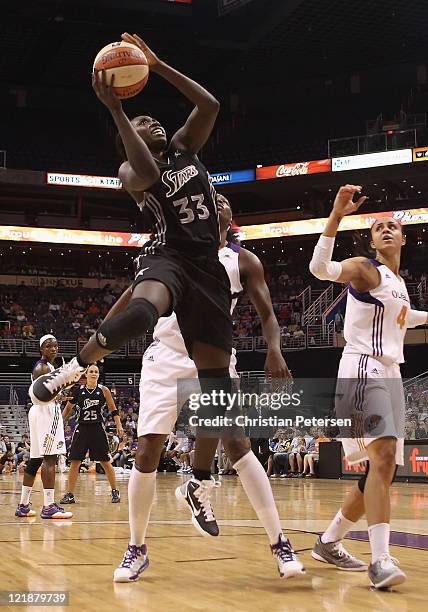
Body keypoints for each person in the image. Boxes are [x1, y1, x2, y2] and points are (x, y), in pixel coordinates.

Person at [29, 33, 234, 503]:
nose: (154, 122)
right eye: (144, 121)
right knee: (144, 312)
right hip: (169, 256)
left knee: (218, 391)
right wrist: (118, 109)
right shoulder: (129, 171)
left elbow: (211, 105)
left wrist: (158, 66)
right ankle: (73, 369)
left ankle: (197, 483)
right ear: (129, 134)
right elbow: (144, 169)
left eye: (154, 117)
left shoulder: (186, 147)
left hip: (208, 272)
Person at [113, 196, 303, 583]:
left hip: (214, 357)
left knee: (239, 446)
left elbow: (268, 313)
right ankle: (136, 548)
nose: (216, 202)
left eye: (224, 200)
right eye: (210, 197)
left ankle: (280, 543)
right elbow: (131, 298)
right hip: (165, 357)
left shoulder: (244, 260)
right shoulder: (171, 251)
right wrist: (96, 345)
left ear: (233, 217)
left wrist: (274, 349)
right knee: (149, 448)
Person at [309, 184, 428, 589]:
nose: (387, 230)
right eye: (379, 227)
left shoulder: (396, 282)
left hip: (387, 373)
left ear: (404, 237)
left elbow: (404, 317)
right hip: (363, 368)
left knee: (382, 469)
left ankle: (329, 541)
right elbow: (320, 270)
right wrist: (336, 217)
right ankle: (381, 561)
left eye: (393, 226)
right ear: (373, 240)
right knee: (383, 458)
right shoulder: (366, 269)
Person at [15, 335, 72, 519]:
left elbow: (49, 392)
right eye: (49, 346)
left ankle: (23, 505)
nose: (53, 349)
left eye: (56, 346)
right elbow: (44, 395)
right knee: (50, 458)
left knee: (36, 459)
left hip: (39, 412)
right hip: (46, 412)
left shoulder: (48, 367)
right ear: (41, 349)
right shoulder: (43, 367)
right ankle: (48, 506)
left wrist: (63, 396)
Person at [60, 364, 123, 504]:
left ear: (98, 375)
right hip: (81, 428)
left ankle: (115, 491)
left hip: (97, 429)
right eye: (91, 371)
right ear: (86, 374)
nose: (94, 373)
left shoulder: (104, 390)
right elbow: (68, 409)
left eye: (96, 372)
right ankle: (69, 494)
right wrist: (60, 423)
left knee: (105, 462)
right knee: (75, 462)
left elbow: (113, 409)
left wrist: (119, 425)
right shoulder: (78, 391)